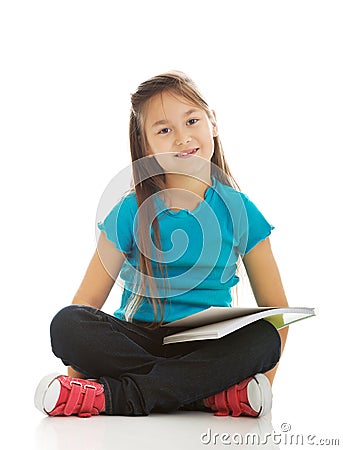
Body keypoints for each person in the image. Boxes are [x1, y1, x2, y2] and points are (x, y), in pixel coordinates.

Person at [34, 71, 288, 418]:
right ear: (146, 144)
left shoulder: (239, 210)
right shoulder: (130, 209)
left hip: (206, 349)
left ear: (212, 123)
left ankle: (117, 396)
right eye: (164, 130)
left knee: (265, 336)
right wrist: (77, 376)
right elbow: (86, 304)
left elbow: (276, 311)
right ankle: (200, 394)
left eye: (192, 120)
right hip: (137, 340)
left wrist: (265, 385)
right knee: (67, 323)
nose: (183, 137)